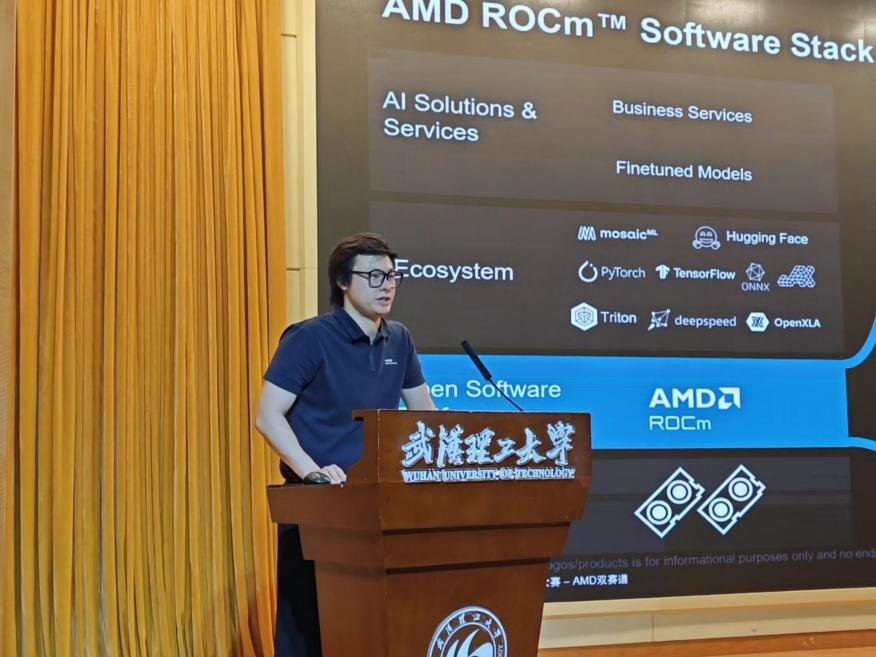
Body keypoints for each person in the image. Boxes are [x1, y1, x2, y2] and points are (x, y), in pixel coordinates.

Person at [255, 232, 436, 657]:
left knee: (367, 623)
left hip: (376, 504)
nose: (386, 286)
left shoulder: (400, 339)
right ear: (342, 281)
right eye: (374, 276)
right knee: (310, 627)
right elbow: (267, 415)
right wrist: (312, 472)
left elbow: (425, 414)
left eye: (392, 276)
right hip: (318, 504)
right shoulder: (309, 338)